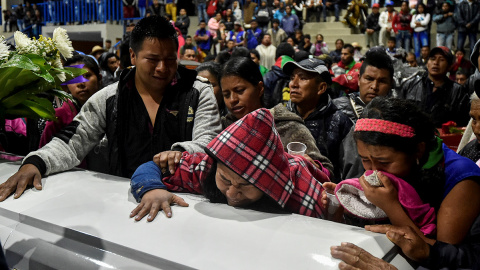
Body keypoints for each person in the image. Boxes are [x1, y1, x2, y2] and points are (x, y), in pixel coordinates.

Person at [0, 16, 222, 202]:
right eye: (152, 59)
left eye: (170, 59)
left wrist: (179, 154)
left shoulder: (198, 92)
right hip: (125, 203)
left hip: (187, 202)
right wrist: (36, 162)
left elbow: (208, 144)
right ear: (133, 56)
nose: (163, 68)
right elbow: (73, 140)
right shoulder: (109, 98)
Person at [329, 97, 480, 269]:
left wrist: (391, 205)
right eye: (365, 160)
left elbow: (438, 253)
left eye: (384, 162)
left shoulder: (461, 178)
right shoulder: (384, 164)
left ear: (418, 150)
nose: (374, 171)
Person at [284, 58, 353, 180]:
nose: (293, 84)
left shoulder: (340, 122)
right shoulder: (282, 117)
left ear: (321, 88)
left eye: (303, 78)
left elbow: (351, 174)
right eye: (292, 78)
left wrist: (320, 172)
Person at [398, 46, 471, 127]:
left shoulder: (458, 92)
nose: (436, 62)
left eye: (441, 59)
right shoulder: (410, 85)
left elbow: (463, 124)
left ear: (449, 66)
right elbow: (399, 117)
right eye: (432, 59)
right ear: (427, 63)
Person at [333, 49, 393, 123]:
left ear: (391, 84)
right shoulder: (337, 109)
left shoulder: (396, 115)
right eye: (369, 79)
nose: (374, 87)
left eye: (382, 81)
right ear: (359, 79)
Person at [263, 42, 295, 108]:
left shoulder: (267, 77)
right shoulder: (299, 76)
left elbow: (265, 102)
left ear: (275, 59)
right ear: (293, 57)